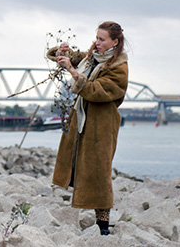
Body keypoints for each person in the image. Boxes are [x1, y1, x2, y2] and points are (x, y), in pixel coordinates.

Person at [46, 21, 128, 236]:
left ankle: (103, 227)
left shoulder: (119, 67)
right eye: (96, 38)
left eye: (102, 39)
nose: (97, 42)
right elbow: (73, 57)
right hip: (83, 120)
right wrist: (62, 52)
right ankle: (94, 220)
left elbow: (96, 91)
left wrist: (72, 71)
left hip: (102, 125)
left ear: (115, 42)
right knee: (79, 163)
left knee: (100, 172)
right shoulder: (93, 57)